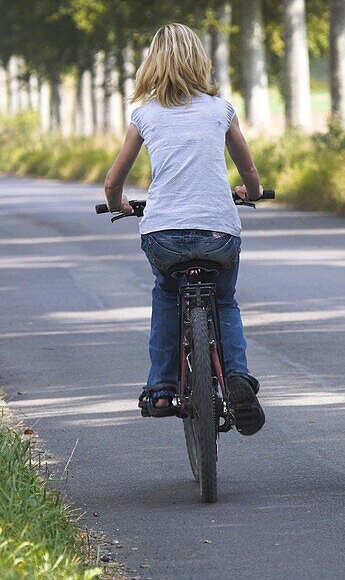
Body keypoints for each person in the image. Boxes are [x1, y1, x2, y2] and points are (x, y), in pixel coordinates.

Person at [103, 22, 266, 436]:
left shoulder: (144, 115)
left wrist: (115, 204)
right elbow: (248, 170)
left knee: (166, 296)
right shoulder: (221, 110)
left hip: (164, 234)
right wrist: (251, 191)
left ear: (152, 65)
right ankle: (238, 377)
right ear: (200, 62)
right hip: (218, 232)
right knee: (224, 301)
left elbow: (112, 182)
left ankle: (160, 388)